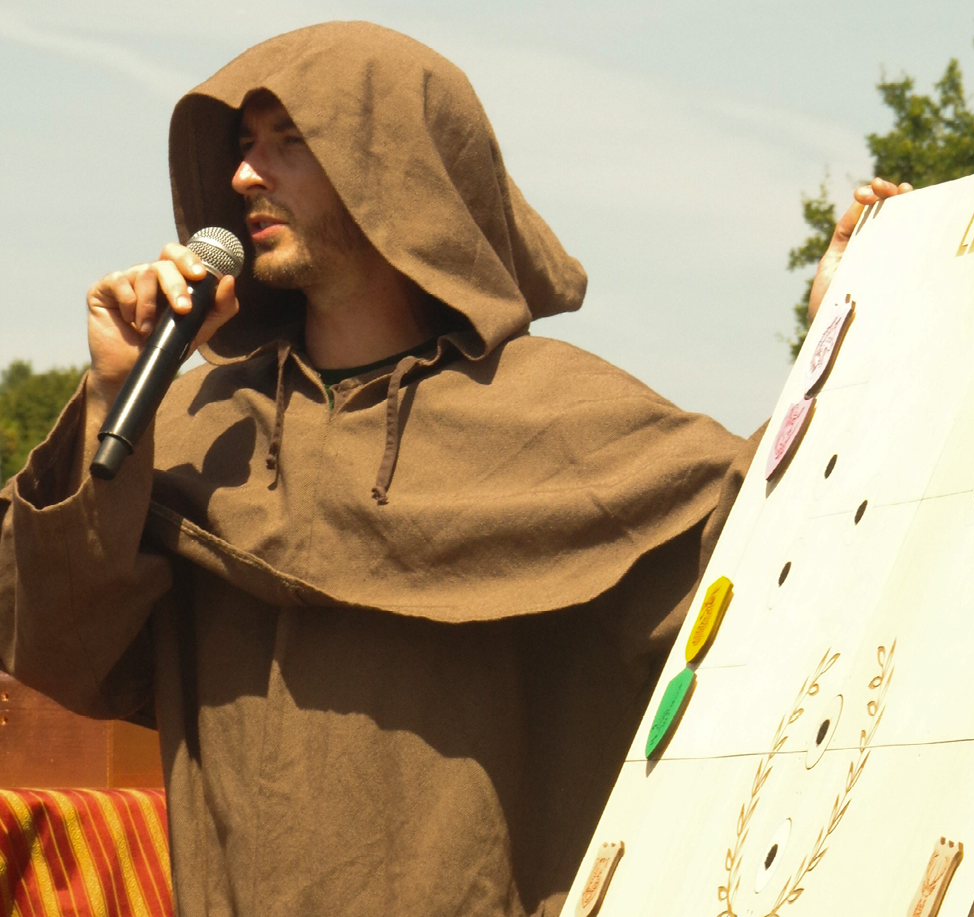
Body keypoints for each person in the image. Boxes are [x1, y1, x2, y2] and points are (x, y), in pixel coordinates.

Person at [0, 21, 908, 917]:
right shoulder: (194, 426)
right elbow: (56, 638)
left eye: (290, 142)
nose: (243, 175)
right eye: (242, 145)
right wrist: (111, 392)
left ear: (392, 169)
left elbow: (771, 561)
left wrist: (838, 339)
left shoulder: (559, 419)